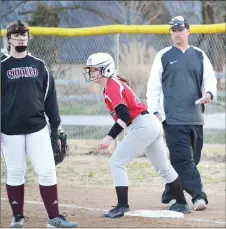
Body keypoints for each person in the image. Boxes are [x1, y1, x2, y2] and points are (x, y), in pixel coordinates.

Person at [83, 52, 191, 219]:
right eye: (91, 70)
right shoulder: (112, 84)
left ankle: (122, 206)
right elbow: (127, 116)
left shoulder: (112, 85)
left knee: (117, 161)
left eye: (95, 69)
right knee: (162, 167)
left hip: (143, 125)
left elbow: (124, 116)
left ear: (106, 69)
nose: (92, 73)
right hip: (149, 123)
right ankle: (182, 203)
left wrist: (109, 137)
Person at [1, 20, 79, 228]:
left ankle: (54, 218)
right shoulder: (2, 67)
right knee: (16, 171)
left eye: (24, 35)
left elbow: (50, 99)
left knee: (46, 170)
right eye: (16, 35)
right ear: (9, 39)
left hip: (37, 127)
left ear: (29, 38)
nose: (21, 38)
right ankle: (17, 216)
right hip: (9, 130)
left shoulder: (38, 65)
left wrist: (55, 127)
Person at [146, 16, 217, 211]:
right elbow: (153, 86)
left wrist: (209, 94)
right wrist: (154, 111)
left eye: (179, 29)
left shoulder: (200, 54)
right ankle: (198, 196)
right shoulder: (163, 55)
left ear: (188, 31)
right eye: (173, 30)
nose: (176, 33)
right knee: (183, 160)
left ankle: (171, 189)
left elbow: (209, 81)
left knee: (192, 160)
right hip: (173, 118)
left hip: (195, 117)